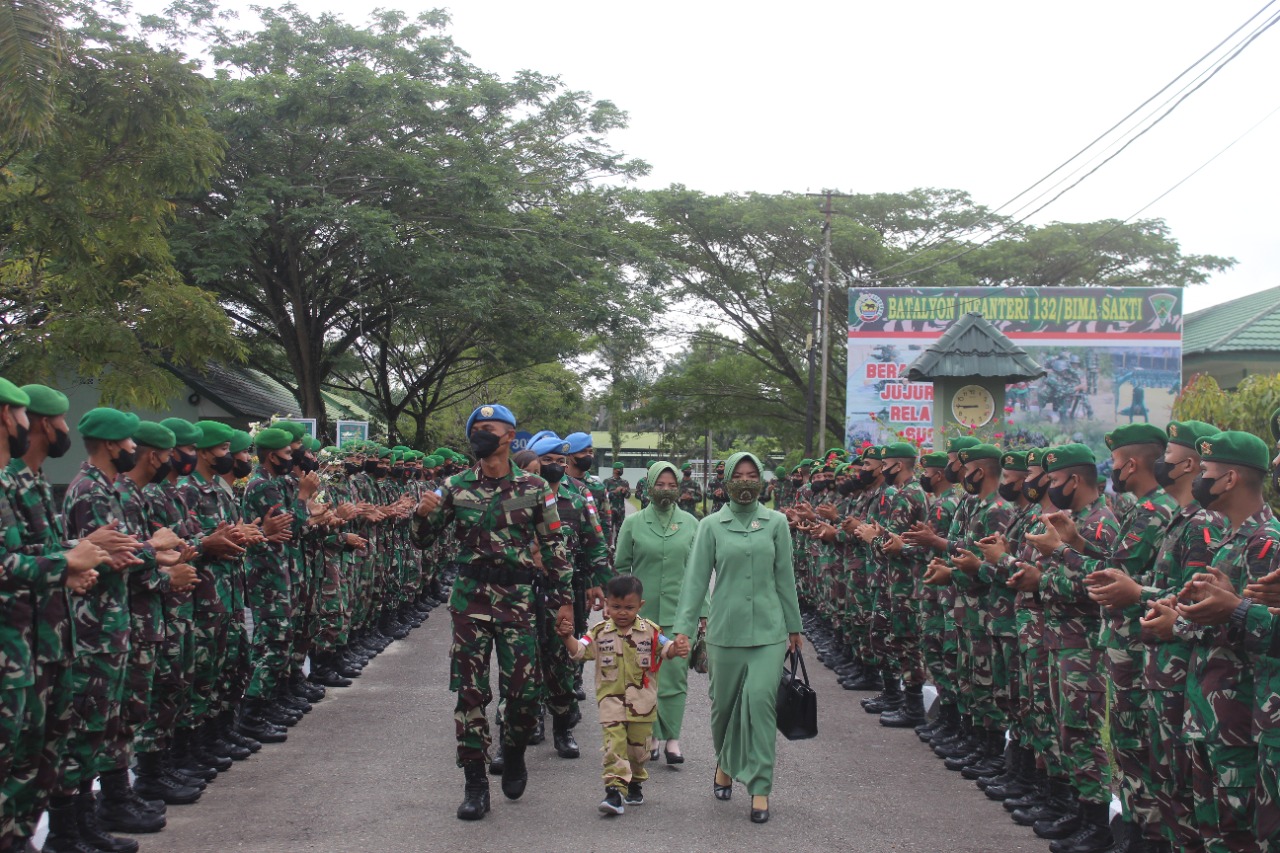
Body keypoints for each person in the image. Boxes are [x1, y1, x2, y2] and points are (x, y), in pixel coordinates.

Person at [412, 404, 573, 822]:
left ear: (509, 436)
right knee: (469, 694)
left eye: (489, 428)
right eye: (476, 429)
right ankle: (475, 784)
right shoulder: (455, 485)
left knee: (523, 694)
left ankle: (515, 750)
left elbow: (553, 548)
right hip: (469, 600)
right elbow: (423, 541)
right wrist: (421, 515)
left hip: (518, 599)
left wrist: (563, 603)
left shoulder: (536, 487)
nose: (481, 434)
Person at [672, 451, 803, 825]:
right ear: (726, 481)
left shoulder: (776, 522)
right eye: (738, 475)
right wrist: (683, 630)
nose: (746, 481)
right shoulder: (710, 525)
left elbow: (785, 578)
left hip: (769, 631)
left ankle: (760, 787)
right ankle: (725, 764)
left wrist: (794, 628)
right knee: (724, 708)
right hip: (725, 631)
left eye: (752, 474)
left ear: (761, 480)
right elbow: (696, 582)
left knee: (761, 703)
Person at [557, 575, 687, 815]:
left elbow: (666, 649)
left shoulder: (651, 632)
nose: (622, 613)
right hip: (611, 703)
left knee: (638, 752)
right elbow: (579, 652)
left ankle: (635, 780)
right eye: (616, 607)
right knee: (614, 745)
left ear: (640, 606)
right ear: (607, 604)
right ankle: (614, 792)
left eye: (629, 607)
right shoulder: (598, 632)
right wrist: (567, 638)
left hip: (643, 705)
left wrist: (677, 649)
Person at [614, 461, 700, 764]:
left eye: (671, 484)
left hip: (680, 615)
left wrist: (702, 614)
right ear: (649, 487)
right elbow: (621, 566)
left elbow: (699, 571)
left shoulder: (691, 523)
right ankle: (649, 735)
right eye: (660, 484)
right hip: (643, 617)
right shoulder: (634, 522)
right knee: (644, 678)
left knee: (675, 678)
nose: (666, 489)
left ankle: (672, 739)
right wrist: (622, 609)